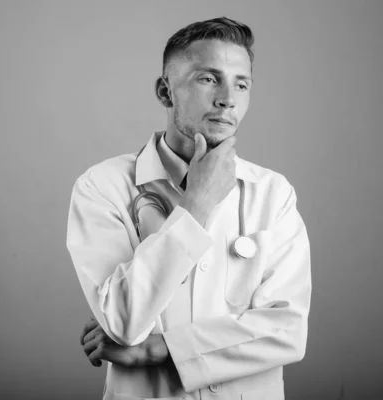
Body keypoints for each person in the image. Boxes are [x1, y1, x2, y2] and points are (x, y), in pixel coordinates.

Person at [65, 17, 312, 400]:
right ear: (166, 92)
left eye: (241, 83)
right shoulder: (103, 187)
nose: (228, 98)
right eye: (208, 79)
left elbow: (287, 331)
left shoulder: (273, 193)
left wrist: (159, 348)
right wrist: (196, 205)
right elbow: (122, 322)